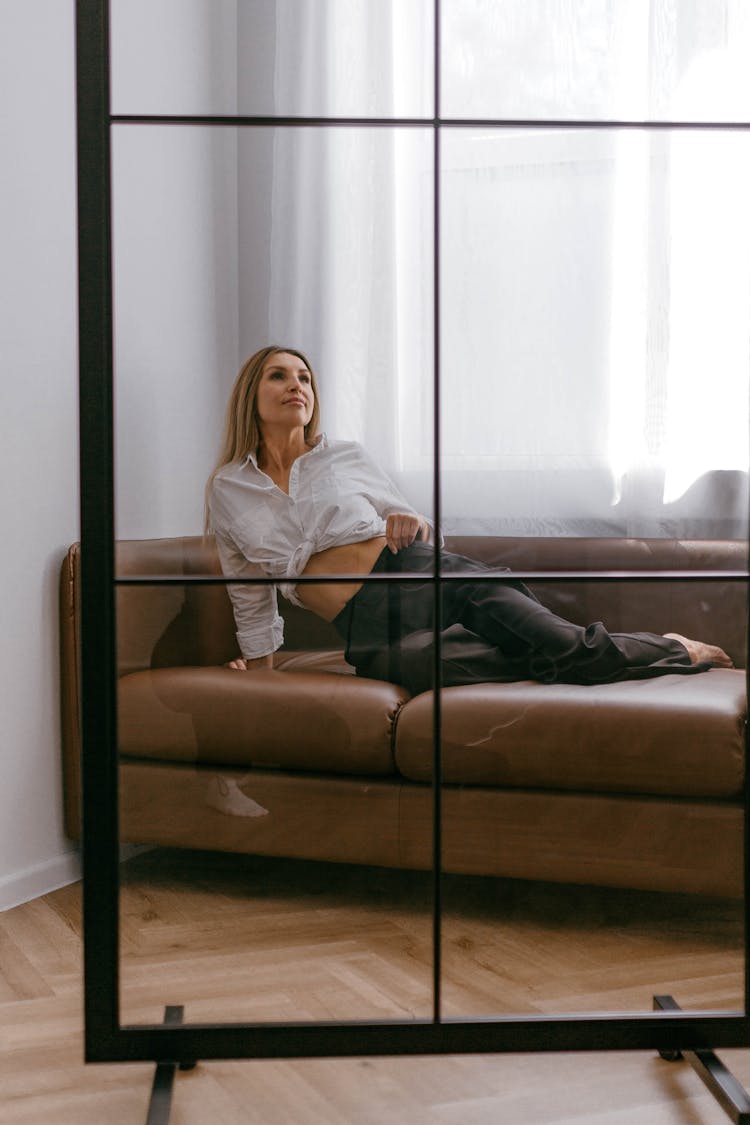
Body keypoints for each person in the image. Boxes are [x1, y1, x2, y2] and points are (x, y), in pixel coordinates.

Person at [206, 345, 732, 695]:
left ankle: (676, 648)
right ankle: (599, 650)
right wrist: (259, 666)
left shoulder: (343, 455)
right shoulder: (229, 489)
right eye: (279, 376)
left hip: (419, 573)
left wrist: (410, 518)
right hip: (361, 625)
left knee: (566, 648)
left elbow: (409, 519)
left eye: (305, 378)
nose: (296, 386)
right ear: (251, 393)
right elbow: (248, 588)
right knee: (425, 668)